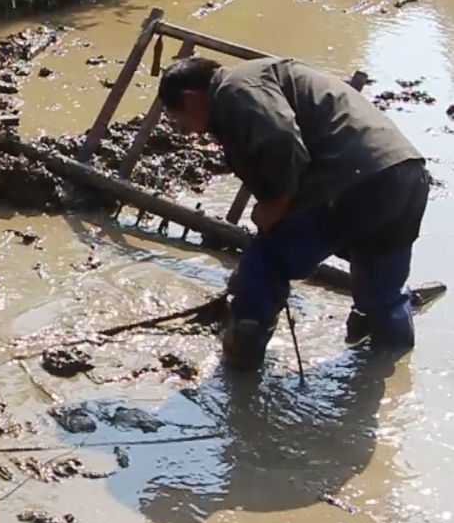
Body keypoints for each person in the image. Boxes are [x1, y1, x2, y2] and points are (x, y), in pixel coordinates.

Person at [157, 56, 429, 370]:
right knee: (383, 294)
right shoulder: (263, 76)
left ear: (192, 99)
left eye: (179, 119)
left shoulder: (234, 90)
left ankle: (238, 378)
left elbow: (281, 137)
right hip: (405, 177)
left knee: (267, 262)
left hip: (350, 183)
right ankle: (392, 375)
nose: (186, 131)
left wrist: (277, 203)